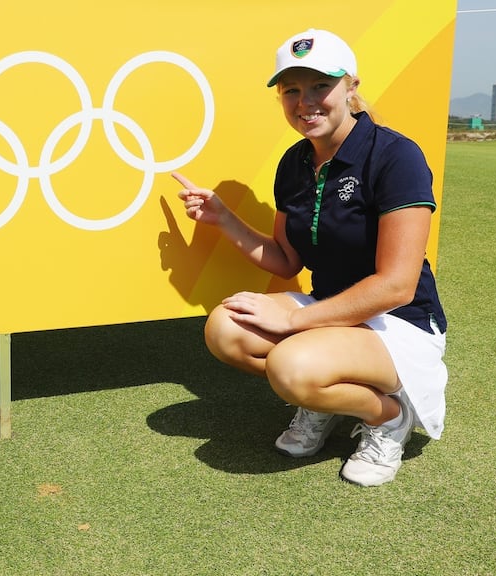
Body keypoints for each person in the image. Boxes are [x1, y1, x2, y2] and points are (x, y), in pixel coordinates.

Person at [173, 28, 447, 487]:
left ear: (351, 87)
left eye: (321, 86)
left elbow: (397, 284)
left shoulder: (395, 155)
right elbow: (286, 261)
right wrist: (224, 219)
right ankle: (328, 399)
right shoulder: (294, 163)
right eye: (292, 91)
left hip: (401, 323)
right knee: (226, 329)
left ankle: (390, 416)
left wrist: (295, 323)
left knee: (291, 364)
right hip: (329, 315)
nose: (306, 102)